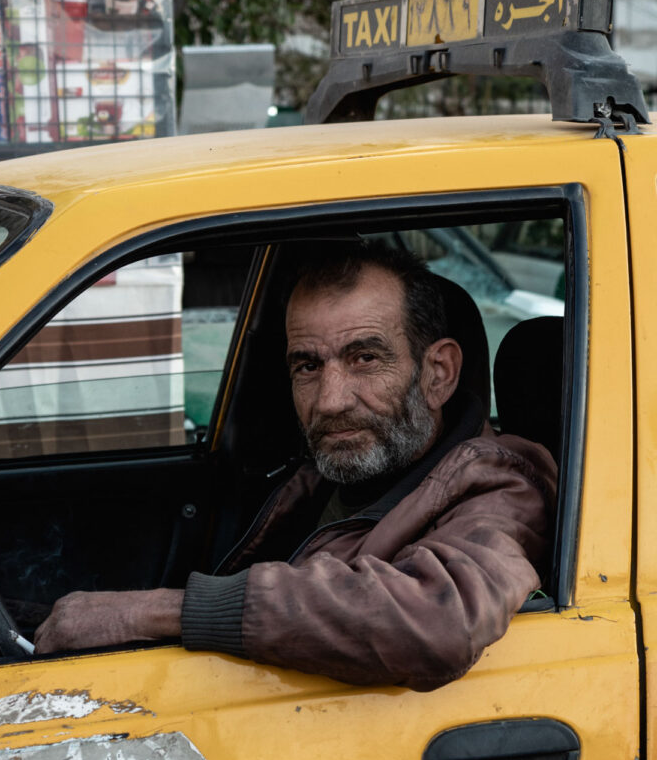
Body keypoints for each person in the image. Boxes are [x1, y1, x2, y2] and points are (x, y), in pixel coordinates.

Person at [34, 242, 557, 690]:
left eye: (364, 359)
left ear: (438, 373)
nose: (330, 400)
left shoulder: (504, 485)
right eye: (308, 365)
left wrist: (156, 613)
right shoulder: (323, 471)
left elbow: (440, 618)